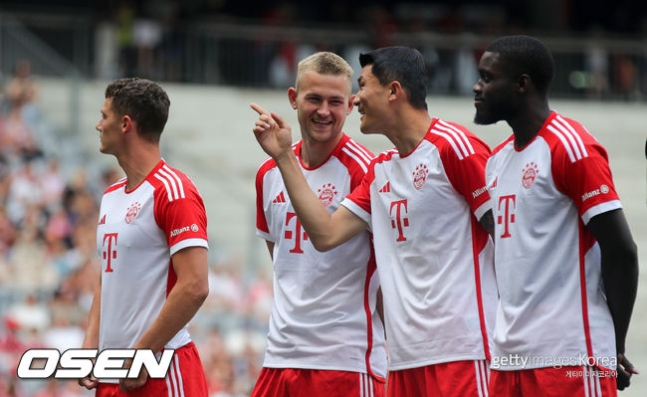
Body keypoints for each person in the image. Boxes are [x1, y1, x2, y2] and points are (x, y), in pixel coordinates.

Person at [251, 46, 497, 397]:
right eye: (315, 98)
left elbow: (507, 238)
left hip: (459, 350)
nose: (355, 99)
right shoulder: (382, 170)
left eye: (361, 87)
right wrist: (283, 157)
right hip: (403, 359)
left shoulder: (454, 147)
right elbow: (325, 235)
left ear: (393, 91)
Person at [472, 35, 640, 396]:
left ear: (522, 84)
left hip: (569, 357)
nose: (477, 87)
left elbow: (621, 251)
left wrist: (615, 346)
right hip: (509, 359)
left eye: (487, 78)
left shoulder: (571, 147)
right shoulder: (496, 161)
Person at [250, 51, 387, 397]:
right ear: (293, 99)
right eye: (314, 99)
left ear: (351, 105)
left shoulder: (367, 171)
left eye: (335, 102)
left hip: (344, 361)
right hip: (279, 357)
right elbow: (281, 258)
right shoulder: (268, 174)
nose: (324, 111)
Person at [79, 77, 210, 396]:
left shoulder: (173, 191)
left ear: (125, 124)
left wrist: (142, 352)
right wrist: (89, 348)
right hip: (117, 371)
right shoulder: (110, 196)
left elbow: (194, 286)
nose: (98, 125)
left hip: (160, 368)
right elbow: (106, 279)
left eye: (104, 116)